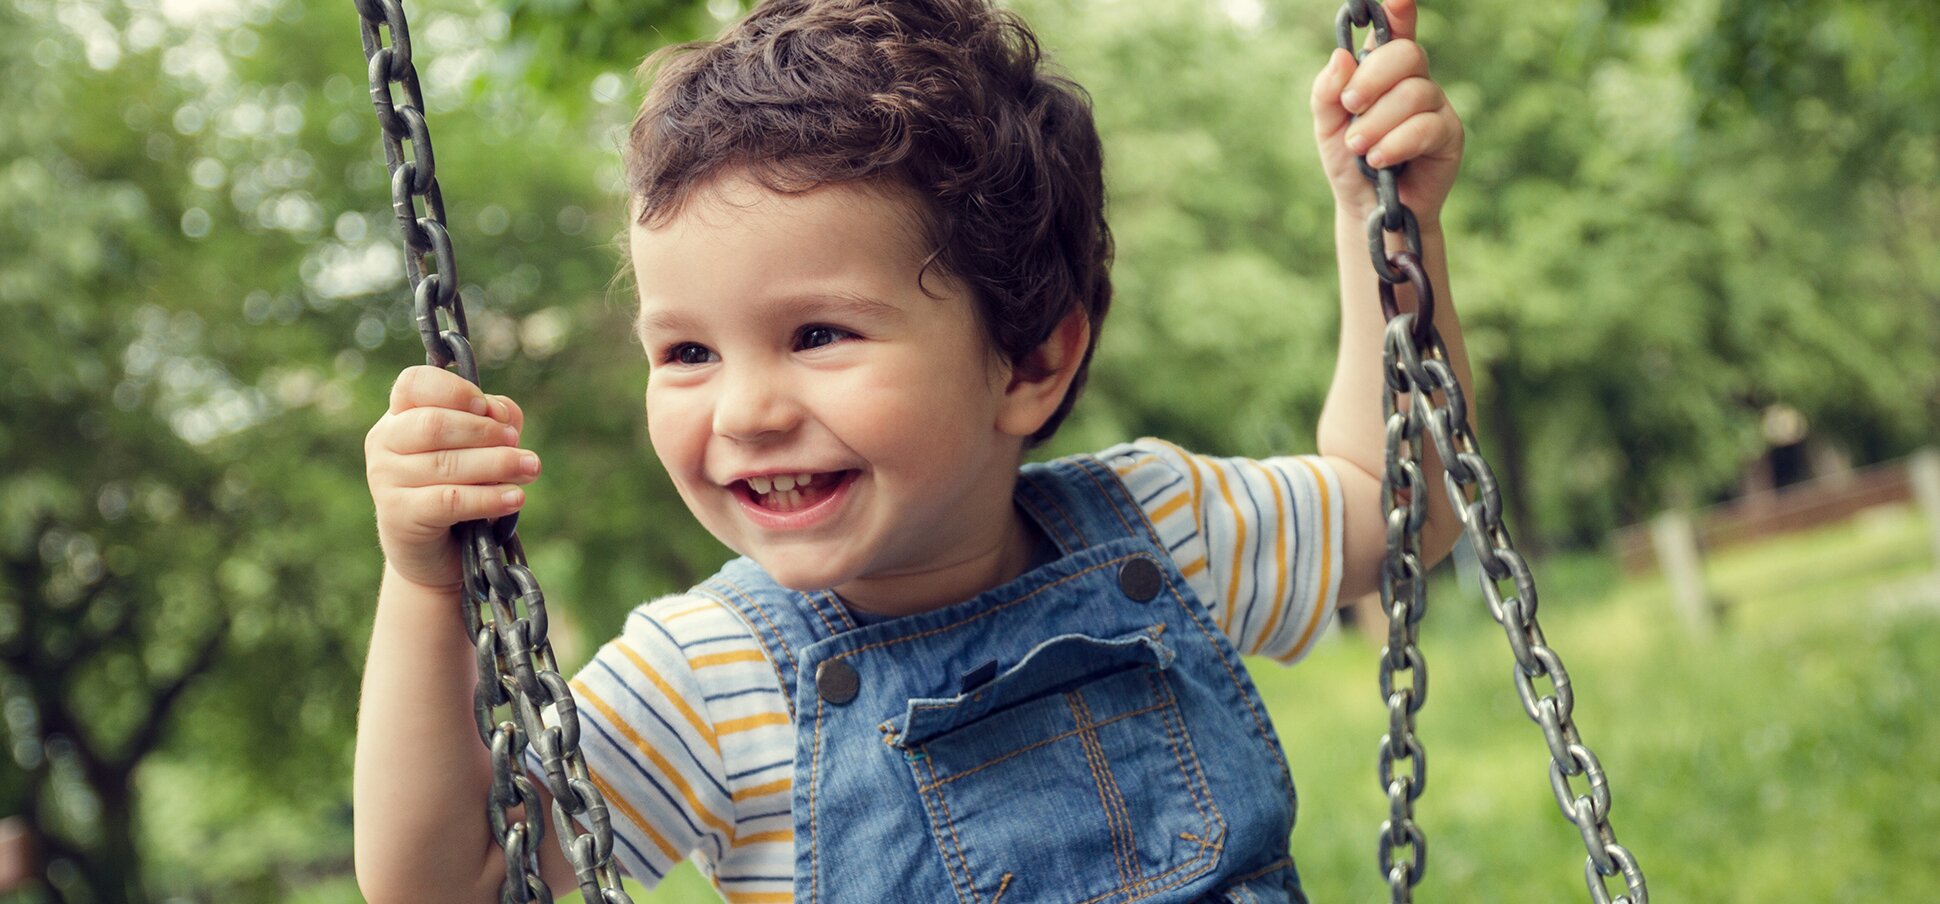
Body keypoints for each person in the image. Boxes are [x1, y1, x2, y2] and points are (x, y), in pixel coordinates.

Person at [355, 0, 1470, 899]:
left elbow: (1398, 504)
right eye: (687, 351)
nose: (744, 409)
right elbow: (448, 884)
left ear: (1029, 361)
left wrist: (1383, 224)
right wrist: (423, 585)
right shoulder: (702, 678)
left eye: (817, 334)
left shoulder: (1157, 527)